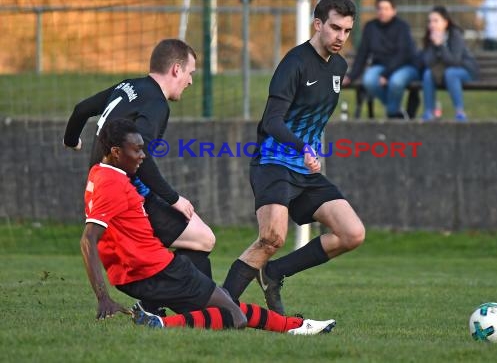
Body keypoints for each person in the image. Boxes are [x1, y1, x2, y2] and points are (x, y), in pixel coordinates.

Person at [80, 118, 336, 335]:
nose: (142, 156)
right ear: (115, 152)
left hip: (139, 272)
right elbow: (88, 239)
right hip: (158, 270)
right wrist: (102, 297)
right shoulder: (112, 182)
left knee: (218, 307)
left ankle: (297, 326)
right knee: (234, 316)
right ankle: (161, 323)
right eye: (136, 150)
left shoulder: (98, 174)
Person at [222, 0, 366, 315]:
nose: (340, 37)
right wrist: (303, 148)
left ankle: (273, 273)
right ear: (318, 24)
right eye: (334, 28)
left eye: (346, 30)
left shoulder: (339, 67)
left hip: (305, 170)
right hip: (273, 162)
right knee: (272, 237)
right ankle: (222, 303)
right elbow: (271, 121)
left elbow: (313, 119)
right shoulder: (294, 63)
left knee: (352, 233)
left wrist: (310, 152)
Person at [63, 39, 215, 301]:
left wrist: (71, 140)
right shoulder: (156, 103)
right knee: (203, 239)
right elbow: (140, 158)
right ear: (176, 70)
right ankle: (202, 306)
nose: (190, 81)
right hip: (126, 192)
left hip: (101, 184)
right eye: (190, 73)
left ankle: (159, 305)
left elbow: (81, 109)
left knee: (157, 247)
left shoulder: (129, 86)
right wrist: (174, 198)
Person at [342, 0, 419, 119]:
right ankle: (395, 111)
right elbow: (362, 53)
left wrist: (386, 75)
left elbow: (403, 54)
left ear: (394, 11)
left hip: (405, 66)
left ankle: (393, 114)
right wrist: (351, 76)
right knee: (369, 80)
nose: (382, 11)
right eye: (379, 8)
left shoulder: (402, 27)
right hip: (381, 66)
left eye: (386, 8)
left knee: (396, 81)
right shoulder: (370, 27)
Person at [420, 6, 479, 122]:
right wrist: (434, 45)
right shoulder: (430, 37)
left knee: (451, 73)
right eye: (430, 21)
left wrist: (441, 45)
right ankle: (428, 112)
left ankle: (460, 112)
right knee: (427, 74)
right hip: (442, 72)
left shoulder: (455, 35)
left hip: (464, 70)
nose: (432, 24)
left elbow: (455, 61)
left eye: (435, 21)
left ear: (445, 23)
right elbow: (427, 63)